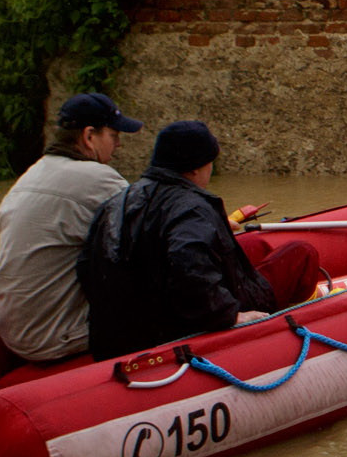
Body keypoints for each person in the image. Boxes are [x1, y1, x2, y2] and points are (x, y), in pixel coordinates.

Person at [78, 120, 324, 358]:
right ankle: (293, 330)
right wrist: (229, 315)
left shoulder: (115, 203)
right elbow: (187, 262)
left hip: (124, 334)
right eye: (210, 164)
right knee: (300, 253)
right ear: (195, 168)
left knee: (256, 246)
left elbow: (86, 265)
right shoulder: (191, 208)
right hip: (178, 329)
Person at [0, 92, 142, 364]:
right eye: (114, 136)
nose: (118, 145)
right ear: (89, 136)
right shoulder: (98, 179)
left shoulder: (32, 173)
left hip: (12, 331)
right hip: (58, 336)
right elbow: (152, 235)